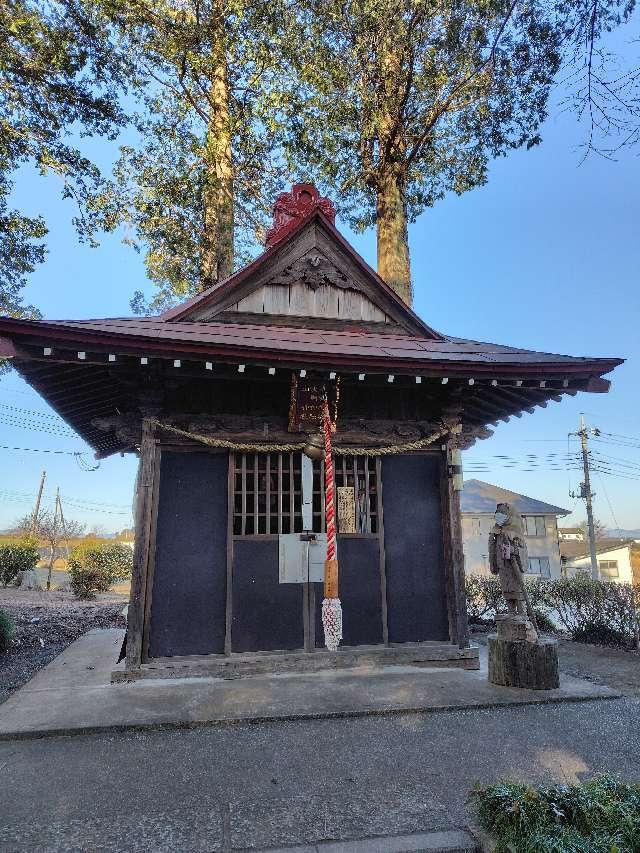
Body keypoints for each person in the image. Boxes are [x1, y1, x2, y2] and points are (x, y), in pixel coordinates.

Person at [488, 502, 528, 616]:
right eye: (497, 515)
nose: (499, 518)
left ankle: (522, 615)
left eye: (503, 515)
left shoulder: (516, 531)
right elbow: (492, 549)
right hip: (503, 566)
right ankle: (511, 613)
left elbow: (523, 550)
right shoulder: (497, 531)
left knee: (518, 592)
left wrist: (514, 551)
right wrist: (492, 537)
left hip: (514, 568)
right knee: (507, 591)